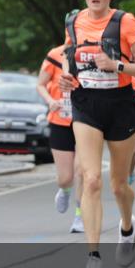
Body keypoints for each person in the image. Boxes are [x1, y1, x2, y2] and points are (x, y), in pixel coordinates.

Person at [58, 0, 135, 268]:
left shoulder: (125, 22)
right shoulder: (73, 20)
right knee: (92, 179)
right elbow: (68, 56)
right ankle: (93, 259)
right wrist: (65, 76)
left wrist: (117, 65)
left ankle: (127, 226)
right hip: (86, 103)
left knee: (117, 185)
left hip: (121, 104)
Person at [37, 40, 84, 233]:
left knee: (82, 171)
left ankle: (80, 216)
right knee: (66, 178)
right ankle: (64, 190)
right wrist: (50, 101)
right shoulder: (55, 54)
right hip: (60, 121)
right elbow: (40, 84)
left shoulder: (91, 54)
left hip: (85, 122)